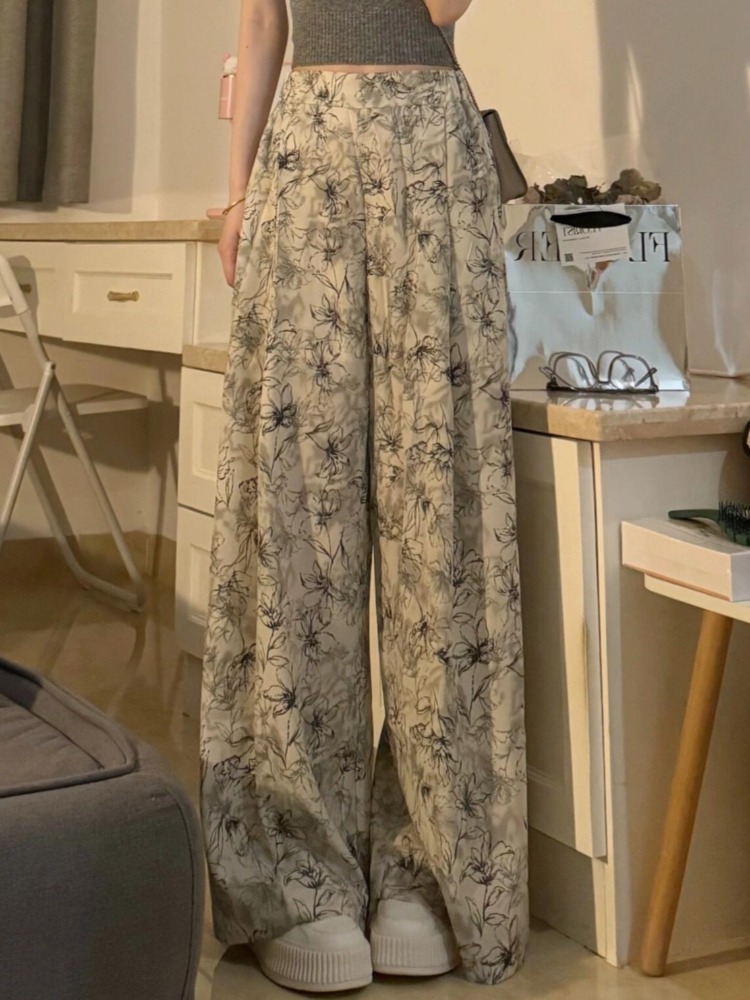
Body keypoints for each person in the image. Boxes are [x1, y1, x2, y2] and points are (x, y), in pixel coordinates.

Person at [201, 0, 527, 991]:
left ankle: (423, 860)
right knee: (298, 517)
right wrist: (237, 194)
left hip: (431, 154)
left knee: (440, 513)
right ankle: (298, 867)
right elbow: (263, 22)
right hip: (301, 156)